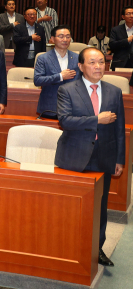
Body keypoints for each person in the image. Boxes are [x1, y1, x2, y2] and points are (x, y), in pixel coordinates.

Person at [54, 47, 124, 267]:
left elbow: (119, 129)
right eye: (92, 63)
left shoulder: (114, 91)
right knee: (70, 206)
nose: (98, 67)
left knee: (100, 207)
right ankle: (66, 247)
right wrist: (96, 119)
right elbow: (65, 121)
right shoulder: (67, 90)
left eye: (101, 62)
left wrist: (119, 159)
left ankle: (97, 249)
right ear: (81, 66)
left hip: (103, 156)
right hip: (73, 156)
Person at [33, 25, 80, 119]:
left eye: (68, 36)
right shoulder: (43, 58)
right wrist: (60, 76)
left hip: (73, 107)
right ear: (53, 39)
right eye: (61, 36)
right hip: (50, 107)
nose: (65, 39)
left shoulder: (78, 58)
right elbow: (37, 80)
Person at [109, 5, 133, 71]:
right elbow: (112, 45)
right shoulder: (116, 30)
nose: (131, 16)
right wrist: (127, 40)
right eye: (128, 14)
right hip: (120, 62)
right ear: (123, 17)